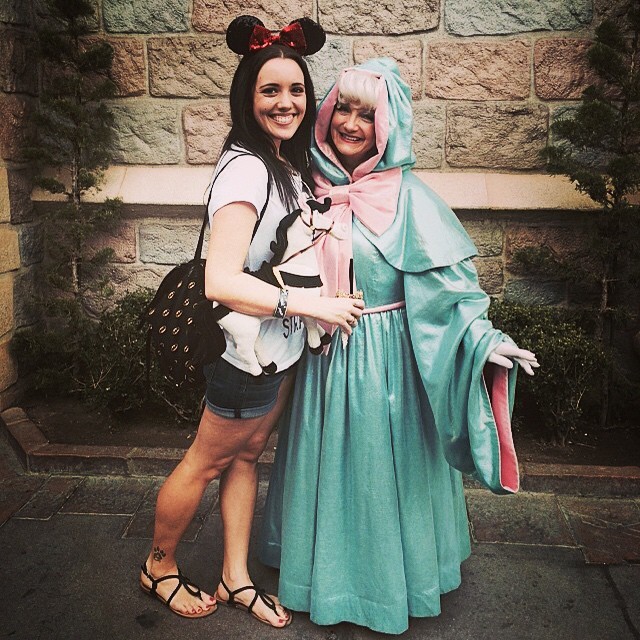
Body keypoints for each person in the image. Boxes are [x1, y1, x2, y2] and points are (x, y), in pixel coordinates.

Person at [259, 58, 539, 635]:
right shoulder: (303, 183)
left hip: (389, 368)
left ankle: (387, 585)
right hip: (323, 359)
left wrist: (485, 344)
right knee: (328, 472)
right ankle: (322, 576)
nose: (350, 123)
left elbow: (451, 295)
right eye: (343, 109)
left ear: (388, 127)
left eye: (367, 115)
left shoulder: (412, 199)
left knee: (382, 478)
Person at [138, 16, 364, 627]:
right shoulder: (246, 170)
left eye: (296, 90)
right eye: (270, 90)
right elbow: (221, 281)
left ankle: (235, 577)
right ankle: (159, 566)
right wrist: (313, 306)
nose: (286, 103)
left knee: (247, 457)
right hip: (244, 351)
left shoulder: (282, 162)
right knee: (207, 460)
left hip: (276, 346)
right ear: (247, 96)